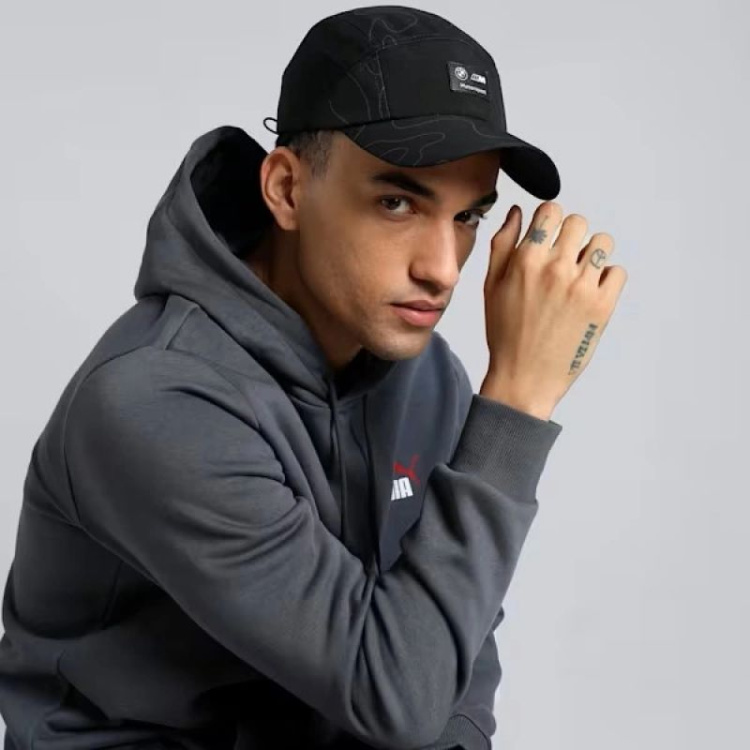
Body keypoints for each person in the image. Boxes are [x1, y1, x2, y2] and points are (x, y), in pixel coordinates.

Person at [0, 5, 627, 749]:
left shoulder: (426, 377)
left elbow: (456, 631)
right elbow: (397, 695)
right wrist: (517, 401)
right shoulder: (153, 398)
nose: (442, 269)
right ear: (287, 190)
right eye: (397, 202)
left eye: (468, 218)